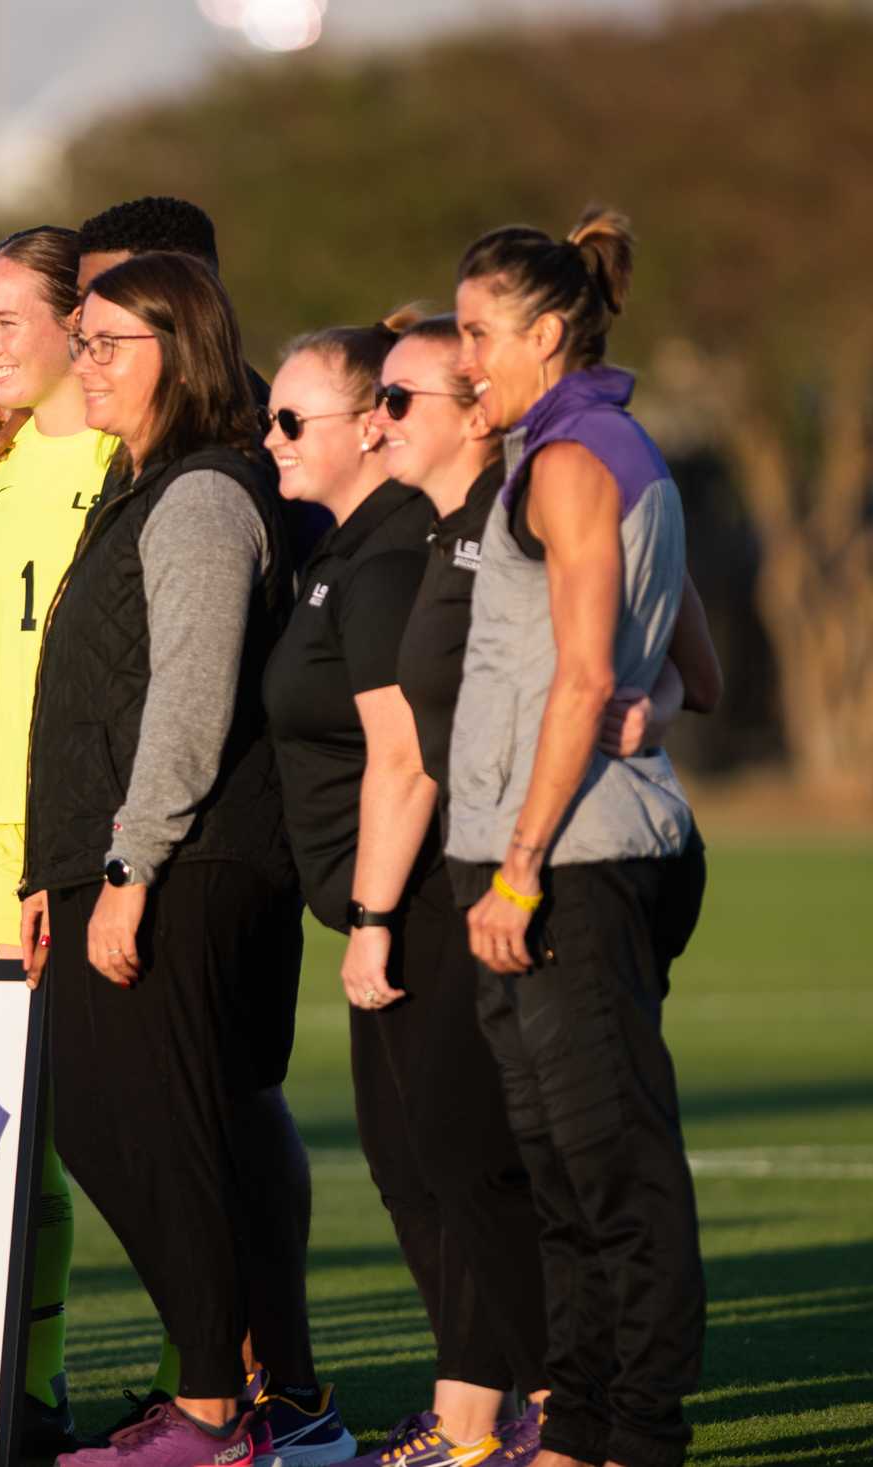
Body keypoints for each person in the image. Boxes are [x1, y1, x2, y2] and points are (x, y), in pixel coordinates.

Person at [0, 198, 331, 1461]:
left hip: (185, 866)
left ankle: (215, 1405)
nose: (82, 361)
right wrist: (53, 871)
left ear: (177, 354)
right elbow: (84, 697)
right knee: (112, 1122)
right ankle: (221, 1393)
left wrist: (127, 869)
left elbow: (185, 702)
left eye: (108, 342)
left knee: (157, 1128)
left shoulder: (198, 497)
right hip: (109, 861)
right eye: (79, 338)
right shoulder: (137, 487)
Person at [262, 311, 553, 1467]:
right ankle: (475, 1415)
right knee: (415, 1164)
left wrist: (375, 915)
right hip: (388, 903)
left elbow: (406, 758)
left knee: (461, 1165)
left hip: (425, 904)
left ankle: (551, 1411)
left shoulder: (391, 562)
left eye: (295, 419)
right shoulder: (360, 553)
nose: (274, 438)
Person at [446, 208, 710, 1467]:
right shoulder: (600, 447)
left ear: (547, 333)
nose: (461, 360)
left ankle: (640, 1433)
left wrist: (515, 867)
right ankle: (580, 1426)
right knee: (559, 1172)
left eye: (477, 332)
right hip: (596, 845)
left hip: (577, 864)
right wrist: (649, 687)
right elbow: (693, 670)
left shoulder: (568, 461)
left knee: (611, 1174)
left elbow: (583, 674)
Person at [0, 225, 119, 1453]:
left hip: (90, 837)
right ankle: (30, 1384)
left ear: (78, 326)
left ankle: (211, 1386)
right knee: (13, 1142)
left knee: (138, 1137)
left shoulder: (131, 462)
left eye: (7, 321)